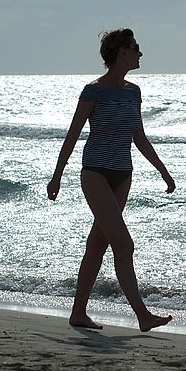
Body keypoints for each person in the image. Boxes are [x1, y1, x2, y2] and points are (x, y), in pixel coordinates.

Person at [46, 28, 175, 333]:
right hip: (96, 174)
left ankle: (78, 313)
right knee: (124, 244)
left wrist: (162, 169)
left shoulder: (134, 92)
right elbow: (73, 133)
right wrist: (57, 175)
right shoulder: (94, 91)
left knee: (97, 245)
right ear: (121, 53)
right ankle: (143, 315)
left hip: (123, 175)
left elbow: (138, 136)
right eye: (136, 48)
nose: (140, 53)